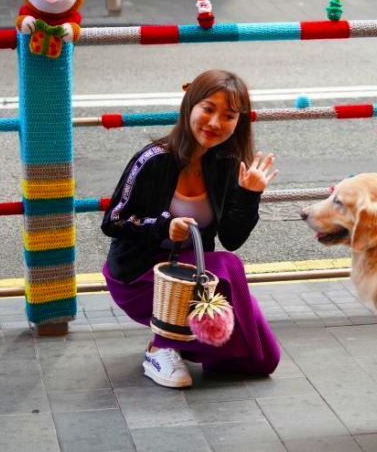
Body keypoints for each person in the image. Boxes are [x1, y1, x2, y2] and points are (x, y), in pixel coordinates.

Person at [101, 69, 280, 388]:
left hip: (191, 275)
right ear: (190, 107)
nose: (215, 123)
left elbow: (232, 238)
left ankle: (183, 340)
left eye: (228, 115)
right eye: (208, 109)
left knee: (263, 359)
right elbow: (113, 220)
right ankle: (162, 346)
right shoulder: (153, 159)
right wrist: (163, 227)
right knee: (227, 269)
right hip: (138, 277)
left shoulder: (226, 164)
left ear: (239, 122)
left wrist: (250, 194)